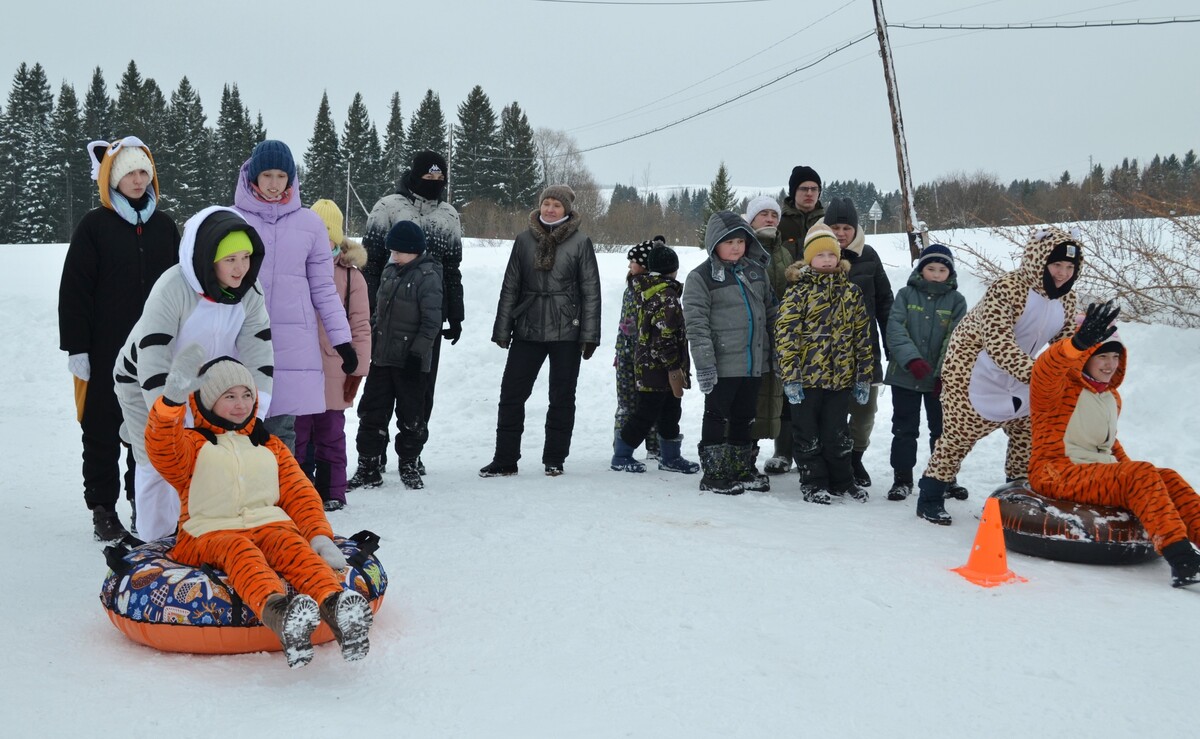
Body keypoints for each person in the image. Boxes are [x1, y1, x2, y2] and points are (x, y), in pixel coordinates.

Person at [144, 346, 373, 667]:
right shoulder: (192, 444)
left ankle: (338, 608)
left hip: (268, 525)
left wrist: (319, 536)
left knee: (294, 546)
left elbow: (299, 494)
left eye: (246, 395)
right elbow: (161, 447)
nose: (241, 404)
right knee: (239, 549)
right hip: (208, 531)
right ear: (208, 401)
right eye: (229, 396)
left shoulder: (269, 445)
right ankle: (281, 615)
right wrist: (171, 402)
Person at [113, 206, 274, 542]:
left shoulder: (250, 291)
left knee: (205, 457)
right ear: (208, 256)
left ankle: (196, 533)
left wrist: (256, 410)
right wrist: (165, 418)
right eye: (231, 259)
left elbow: (258, 346)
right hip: (143, 379)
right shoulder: (172, 287)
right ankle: (153, 543)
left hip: (205, 382)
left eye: (245, 257)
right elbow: (152, 353)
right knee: (158, 462)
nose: (240, 267)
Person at [916, 227, 1082, 525]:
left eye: (1070, 267)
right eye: (1056, 265)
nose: (1062, 273)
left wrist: (1080, 356)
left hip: (1022, 371)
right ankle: (930, 494)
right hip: (972, 367)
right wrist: (1039, 375)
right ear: (1040, 259)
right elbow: (998, 341)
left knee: (1026, 430)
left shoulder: (1067, 300)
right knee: (959, 436)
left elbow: (1063, 347)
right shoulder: (1007, 288)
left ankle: (1017, 490)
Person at [59, 136, 180, 542]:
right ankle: (102, 508)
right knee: (101, 431)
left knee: (147, 430)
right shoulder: (94, 226)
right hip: (103, 348)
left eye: (144, 171)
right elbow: (74, 290)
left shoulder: (164, 227)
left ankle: (141, 505)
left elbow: (181, 285)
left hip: (153, 352)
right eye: (129, 172)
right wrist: (77, 347)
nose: (138, 179)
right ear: (112, 177)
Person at [1028, 302, 1200, 588]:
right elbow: (1046, 370)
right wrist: (1077, 344)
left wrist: (1141, 480)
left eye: (1114, 357)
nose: (1110, 364)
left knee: (1166, 476)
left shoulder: (1110, 397)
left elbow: (1109, 445)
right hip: (1057, 470)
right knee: (1142, 474)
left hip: (1093, 471)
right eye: (1101, 357)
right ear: (1085, 359)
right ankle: (1182, 560)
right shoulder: (1056, 391)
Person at [233, 139, 357, 453]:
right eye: (267, 176)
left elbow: (324, 289)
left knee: (282, 436)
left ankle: (285, 501)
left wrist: (342, 339)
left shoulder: (310, 225)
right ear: (253, 178)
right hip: (240, 340)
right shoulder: (231, 220)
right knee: (236, 431)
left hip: (292, 349)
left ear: (291, 178)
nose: (274, 184)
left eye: (281, 176)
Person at [481, 185, 601, 477]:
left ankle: (554, 458)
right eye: (546, 203)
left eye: (556, 205)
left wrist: (589, 335)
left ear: (567, 210)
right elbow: (511, 285)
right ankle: (505, 459)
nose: (550, 209)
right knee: (511, 395)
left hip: (566, 331)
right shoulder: (523, 240)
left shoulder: (580, 242)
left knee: (561, 397)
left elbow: (591, 291)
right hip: (528, 328)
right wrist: (502, 328)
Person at [360, 150, 464, 476]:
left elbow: (452, 268)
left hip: (425, 325)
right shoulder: (388, 206)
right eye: (428, 177)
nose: (433, 183)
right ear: (414, 175)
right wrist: (369, 310)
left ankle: (412, 454)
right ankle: (372, 457)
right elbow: (370, 263)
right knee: (378, 393)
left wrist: (455, 313)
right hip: (387, 320)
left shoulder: (448, 215)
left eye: (439, 178)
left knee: (419, 392)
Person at [774, 226, 872, 504]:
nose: (827, 259)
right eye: (820, 255)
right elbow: (786, 337)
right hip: (805, 381)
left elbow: (862, 337)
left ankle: (843, 481)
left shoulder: (851, 292)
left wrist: (863, 376)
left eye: (832, 254)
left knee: (837, 433)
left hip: (840, 380)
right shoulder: (798, 294)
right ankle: (813, 482)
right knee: (807, 435)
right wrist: (790, 377)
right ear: (808, 259)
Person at [682, 211, 775, 495]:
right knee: (717, 416)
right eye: (729, 241)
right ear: (714, 243)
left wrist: (779, 353)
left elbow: (771, 313)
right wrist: (705, 365)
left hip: (753, 362)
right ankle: (715, 472)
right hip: (723, 363)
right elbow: (696, 325)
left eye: (740, 241)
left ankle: (740, 466)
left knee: (745, 416)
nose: (736, 247)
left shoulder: (756, 272)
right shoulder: (701, 277)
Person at [350, 222, 443, 490]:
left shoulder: (429, 276)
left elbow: (431, 323)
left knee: (411, 416)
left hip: (410, 363)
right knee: (371, 412)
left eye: (399, 251)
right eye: (392, 251)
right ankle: (368, 466)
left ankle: (409, 463)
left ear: (414, 251)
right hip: (382, 358)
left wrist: (418, 353)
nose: (394, 256)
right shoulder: (389, 272)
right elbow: (378, 313)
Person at [294, 200, 371, 510]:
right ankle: (296, 493)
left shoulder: (352, 277)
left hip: (334, 368)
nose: (321, 241)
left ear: (338, 238)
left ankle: (332, 492)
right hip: (297, 367)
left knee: (330, 435)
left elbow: (361, 326)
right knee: (296, 438)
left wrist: (357, 370)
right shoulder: (294, 269)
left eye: (328, 235)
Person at [882, 244, 967, 501]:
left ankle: (945, 478)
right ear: (921, 269)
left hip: (941, 381)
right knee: (904, 428)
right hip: (905, 375)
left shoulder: (956, 301)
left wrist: (943, 373)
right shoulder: (906, 295)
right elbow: (895, 329)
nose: (936, 273)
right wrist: (912, 360)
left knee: (943, 430)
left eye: (942, 269)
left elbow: (957, 338)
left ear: (949, 273)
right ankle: (902, 479)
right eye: (931, 268)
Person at [610, 243, 700, 475]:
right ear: (674, 270)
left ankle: (670, 456)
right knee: (647, 412)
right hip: (658, 368)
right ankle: (622, 454)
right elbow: (665, 336)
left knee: (671, 410)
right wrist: (673, 366)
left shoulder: (648, 290)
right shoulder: (665, 296)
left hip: (652, 364)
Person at [824, 197, 893, 490]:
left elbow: (886, 303)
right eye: (835, 227)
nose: (841, 233)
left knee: (865, 413)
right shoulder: (818, 255)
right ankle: (833, 461)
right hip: (826, 354)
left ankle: (856, 457)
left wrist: (892, 347)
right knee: (832, 412)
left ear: (856, 229)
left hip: (865, 351)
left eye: (846, 227)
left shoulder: (870, 256)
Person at [744, 196, 798, 478]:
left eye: (773, 215)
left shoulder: (785, 254)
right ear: (751, 219)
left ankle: (781, 452)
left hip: (779, 337)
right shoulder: (741, 248)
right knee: (748, 398)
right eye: (763, 214)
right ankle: (744, 456)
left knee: (773, 397)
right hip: (749, 338)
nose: (769, 219)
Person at [613, 239, 661, 462]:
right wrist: (619, 348)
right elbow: (625, 322)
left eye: (633, 261)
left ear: (644, 264)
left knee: (648, 403)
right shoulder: (629, 289)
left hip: (646, 357)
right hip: (625, 354)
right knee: (626, 403)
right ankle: (622, 447)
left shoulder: (651, 290)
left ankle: (655, 447)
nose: (630, 265)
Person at [777, 165, 825, 258]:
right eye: (804, 189)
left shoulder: (827, 222)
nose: (809, 193)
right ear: (794, 192)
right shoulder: (778, 223)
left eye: (814, 189)